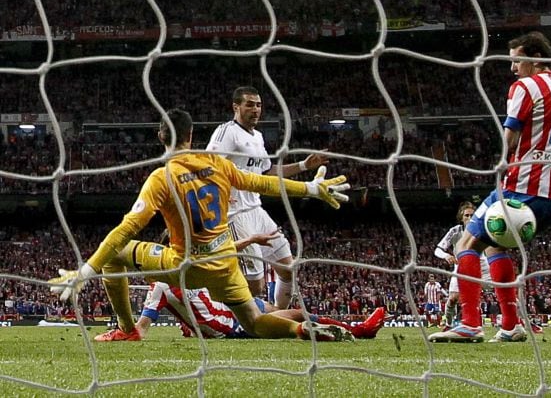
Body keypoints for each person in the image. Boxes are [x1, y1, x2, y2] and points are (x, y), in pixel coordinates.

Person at [49, 108, 353, 342]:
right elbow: (263, 183)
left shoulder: (161, 178)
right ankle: (301, 330)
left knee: (116, 256)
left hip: (185, 266)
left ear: (160, 137)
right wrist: (312, 189)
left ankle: (127, 330)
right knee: (253, 321)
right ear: (191, 135)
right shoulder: (218, 164)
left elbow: (126, 229)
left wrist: (87, 270)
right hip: (224, 264)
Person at [429, 31, 551, 343]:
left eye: (517, 60)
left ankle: (470, 324)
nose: (513, 68)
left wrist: (505, 162)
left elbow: (510, 137)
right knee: (494, 245)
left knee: (465, 246)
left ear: (536, 59)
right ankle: (512, 324)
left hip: (521, 187)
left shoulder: (526, 87)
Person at [206, 86, 329, 308]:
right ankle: (216, 313)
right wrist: (218, 194)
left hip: (257, 210)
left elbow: (268, 172)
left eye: (259, 105)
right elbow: (208, 166)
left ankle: (277, 319)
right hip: (235, 215)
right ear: (236, 107)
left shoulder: (258, 138)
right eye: (250, 104)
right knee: (255, 286)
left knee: (287, 270)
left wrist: (303, 165)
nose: (256, 109)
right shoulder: (226, 132)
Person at [135, 281, 387, 340]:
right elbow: (141, 328)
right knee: (297, 313)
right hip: (235, 325)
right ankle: (360, 329)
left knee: (275, 308)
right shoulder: (160, 286)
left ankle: (352, 328)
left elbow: (201, 302)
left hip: (235, 309)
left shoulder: (195, 269)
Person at [434, 201, 491, 331]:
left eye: (472, 215)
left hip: (482, 266)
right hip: (461, 267)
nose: (470, 218)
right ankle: (448, 325)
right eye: (467, 215)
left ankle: (520, 321)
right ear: (461, 217)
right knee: (453, 298)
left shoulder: (482, 230)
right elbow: (437, 250)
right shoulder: (455, 231)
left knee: (503, 289)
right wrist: (446, 256)